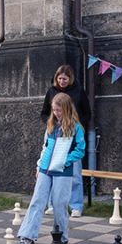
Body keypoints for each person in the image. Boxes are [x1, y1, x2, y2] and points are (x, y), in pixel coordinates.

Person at [15, 93, 86, 244]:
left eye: (59, 110)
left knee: (59, 203)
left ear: (67, 109)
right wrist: (39, 166)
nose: (56, 113)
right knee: (37, 201)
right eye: (54, 110)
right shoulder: (51, 125)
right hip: (45, 169)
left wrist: (65, 160)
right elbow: (45, 147)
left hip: (63, 171)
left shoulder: (76, 128)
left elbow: (80, 150)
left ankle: (61, 235)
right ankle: (26, 237)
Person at [40, 65, 90, 218]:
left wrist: (76, 125)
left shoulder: (78, 91)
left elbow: (87, 112)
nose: (62, 81)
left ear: (70, 79)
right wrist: (52, 124)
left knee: (74, 172)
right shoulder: (51, 91)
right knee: (52, 169)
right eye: (60, 78)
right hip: (54, 132)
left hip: (71, 131)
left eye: (65, 79)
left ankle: (76, 205)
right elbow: (44, 113)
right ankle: (52, 204)